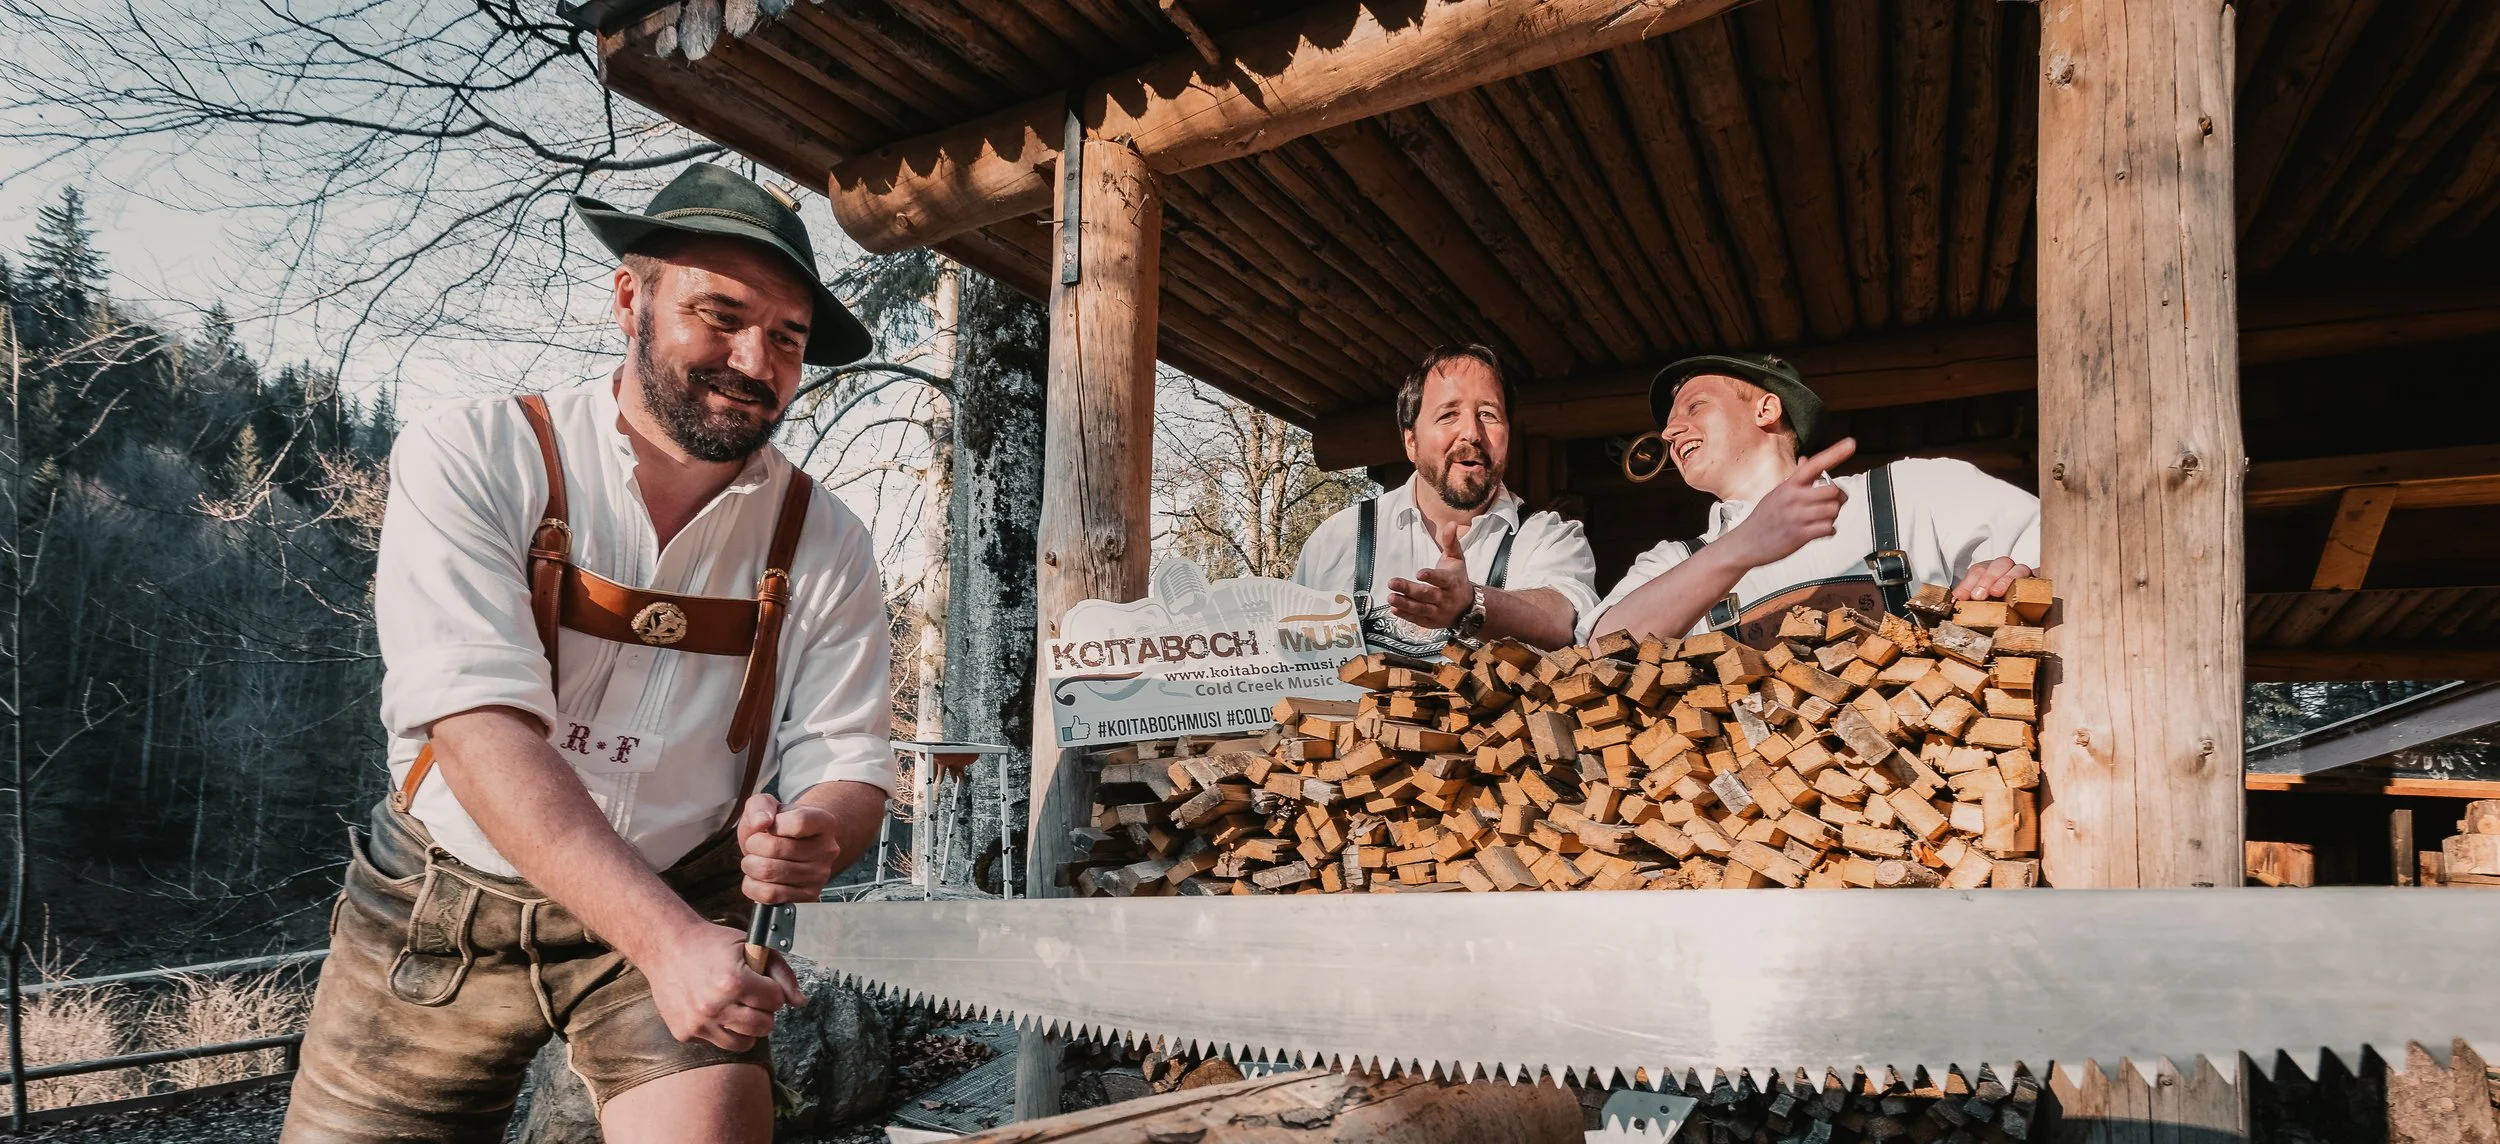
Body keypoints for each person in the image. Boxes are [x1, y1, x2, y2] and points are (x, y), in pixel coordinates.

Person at [284, 163, 896, 1143]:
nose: (755, 358)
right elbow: (479, 728)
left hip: (683, 894)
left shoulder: (828, 540)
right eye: (720, 314)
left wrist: (818, 828)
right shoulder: (477, 452)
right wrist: (668, 941)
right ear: (628, 299)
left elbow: (850, 759)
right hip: (442, 904)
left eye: (787, 337)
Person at [1583, 351, 2038, 646]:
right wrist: (1739, 547)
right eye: (1667, 422)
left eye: (1695, 406)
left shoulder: (1912, 491)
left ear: (1766, 409)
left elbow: (2054, 545)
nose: (1669, 432)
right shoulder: (1674, 562)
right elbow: (1602, 647)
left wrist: (2014, 575)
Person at [1294, 344, 1598, 654]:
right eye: (1449, 414)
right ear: (1411, 442)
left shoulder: (1548, 538)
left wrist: (1472, 603)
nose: (1472, 433)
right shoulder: (1337, 541)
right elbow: (1291, 654)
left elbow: (1564, 621)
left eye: (1488, 414)